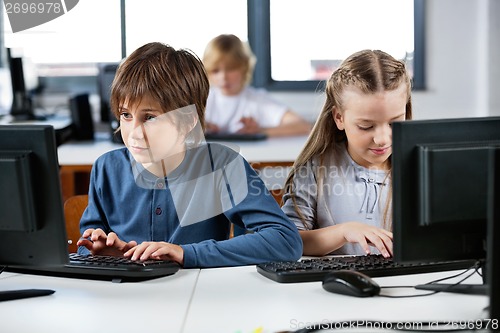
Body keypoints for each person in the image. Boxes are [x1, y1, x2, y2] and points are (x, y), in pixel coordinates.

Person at [76, 42, 302, 268]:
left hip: (201, 294)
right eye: (126, 115)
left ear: (188, 120)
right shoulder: (107, 168)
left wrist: (185, 253)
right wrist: (101, 253)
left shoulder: (221, 165)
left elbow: (285, 241)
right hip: (127, 296)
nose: (134, 133)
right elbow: (85, 246)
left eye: (149, 118)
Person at [281, 49, 412, 258]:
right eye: (366, 126)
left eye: (394, 122)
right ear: (339, 117)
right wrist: (343, 232)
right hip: (331, 287)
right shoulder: (316, 168)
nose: (382, 139)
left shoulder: (417, 166)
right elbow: (288, 240)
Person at [202, 34, 311, 137]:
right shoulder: (203, 100)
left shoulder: (258, 100)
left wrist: (259, 131)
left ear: (244, 67)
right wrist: (198, 129)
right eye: (215, 71)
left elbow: (303, 126)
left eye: (231, 69)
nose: (223, 77)